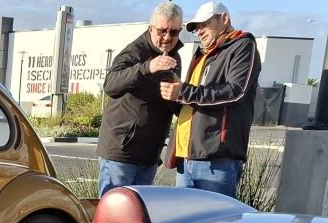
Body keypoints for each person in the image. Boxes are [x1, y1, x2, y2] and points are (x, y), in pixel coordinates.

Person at [159, 1, 260, 197]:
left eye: (204, 24)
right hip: (186, 155)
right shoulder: (203, 54)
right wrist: (173, 93)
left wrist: (183, 92)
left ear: (224, 19)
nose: (200, 31)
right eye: (197, 28)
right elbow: (193, 99)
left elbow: (235, 92)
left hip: (215, 158)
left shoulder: (242, 45)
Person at [97, 2, 184, 196]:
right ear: (150, 28)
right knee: (114, 213)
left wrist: (179, 93)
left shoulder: (174, 57)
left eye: (174, 32)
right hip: (122, 153)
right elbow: (111, 84)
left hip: (149, 156)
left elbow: (169, 102)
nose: (167, 37)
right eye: (162, 31)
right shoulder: (135, 51)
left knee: (137, 216)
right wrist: (147, 67)